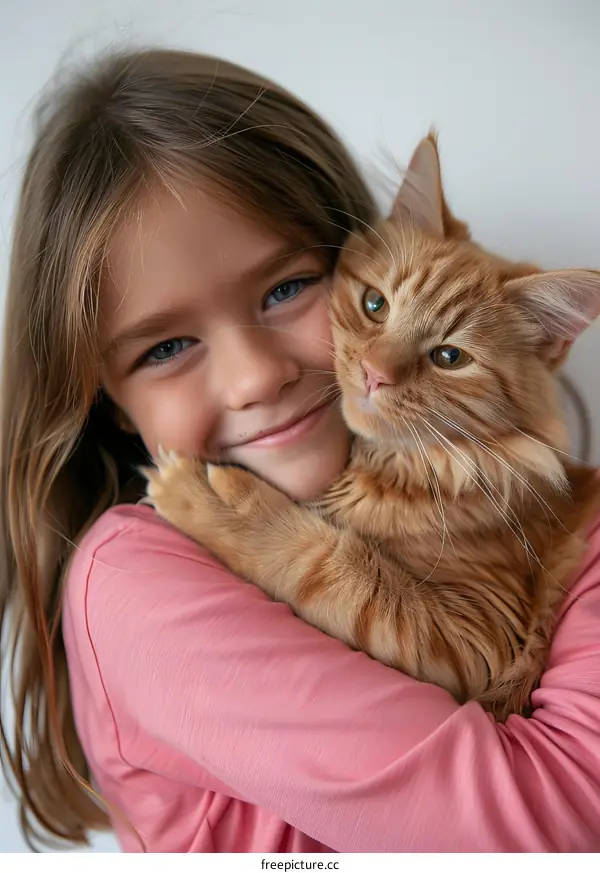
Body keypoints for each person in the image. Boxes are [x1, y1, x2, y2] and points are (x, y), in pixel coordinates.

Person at [1, 47, 599, 854]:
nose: (255, 377)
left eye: (285, 289)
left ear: (348, 246)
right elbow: (548, 828)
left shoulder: (547, 514)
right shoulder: (130, 578)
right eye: (166, 346)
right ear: (99, 393)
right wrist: (271, 535)